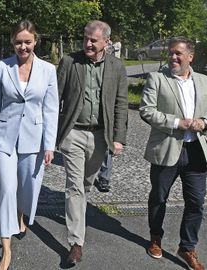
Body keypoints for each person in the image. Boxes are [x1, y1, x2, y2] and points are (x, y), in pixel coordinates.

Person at [139, 36, 207, 270]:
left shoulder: (206, 82)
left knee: (196, 202)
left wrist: (204, 123)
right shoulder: (157, 79)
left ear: (190, 57)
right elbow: (146, 111)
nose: (173, 57)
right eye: (171, 53)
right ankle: (155, 237)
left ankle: (187, 247)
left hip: (195, 150)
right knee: (159, 197)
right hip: (166, 148)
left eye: (178, 53)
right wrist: (177, 123)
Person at [0, 20, 59, 270]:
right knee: (6, 189)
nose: (23, 46)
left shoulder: (48, 70)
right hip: (5, 138)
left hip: (34, 138)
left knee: (28, 188)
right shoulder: (1, 67)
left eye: (27, 41)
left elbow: (51, 110)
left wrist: (50, 145)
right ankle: (6, 250)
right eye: (18, 42)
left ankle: (20, 215)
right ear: (12, 42)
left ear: (35, 41)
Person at [56, 20, 128, 265]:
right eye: (85, 38)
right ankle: (76, 243)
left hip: (100, 136)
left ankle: (78, 219)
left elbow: (120, 104)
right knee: (74, 186)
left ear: (106, 42)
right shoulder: (69, 62)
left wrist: (119, 138)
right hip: (73, 134)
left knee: (86, 185)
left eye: (93, 40)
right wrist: (52, 133)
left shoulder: (117, 67)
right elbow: (55, 98)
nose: (87, 43)